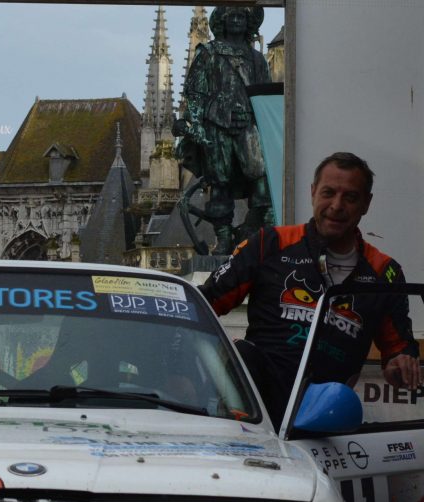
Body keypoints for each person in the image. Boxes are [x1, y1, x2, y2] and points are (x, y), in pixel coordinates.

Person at [200, 151, 420, 429]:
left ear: (366, 204)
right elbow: (202, 304)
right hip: (252, 413)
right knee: (242, 354)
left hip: (326, 414)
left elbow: (399, 350)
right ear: (313, 192)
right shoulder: (270, 243)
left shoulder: (385, 272)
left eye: (350, 197)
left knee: (342, 401)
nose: (337, 206)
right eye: (328, 193)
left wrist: (401, 365)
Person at [174, 6, 272, 253]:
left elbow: (265, 97)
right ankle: (224, 238)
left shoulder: (256, 59)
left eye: (242, 17)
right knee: (220, 184)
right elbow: (195, 93)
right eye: (232, 17)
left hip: (248, 125)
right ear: (222, 23)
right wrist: (194, 124)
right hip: (217, 125)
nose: (238, 21)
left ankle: (255, 227)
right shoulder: (208, 53)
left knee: (262, 179)